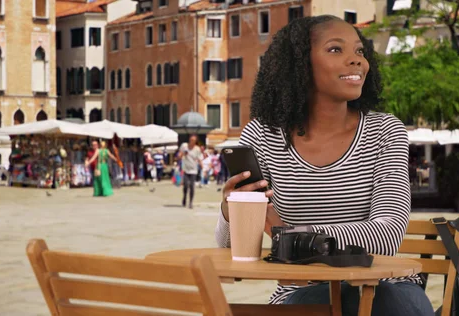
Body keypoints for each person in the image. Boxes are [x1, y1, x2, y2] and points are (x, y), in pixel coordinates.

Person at [214, 15, 433, 316]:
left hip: (381, 289)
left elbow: (388, 234)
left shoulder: (385, 132)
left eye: (359, 51)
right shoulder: (262, 135)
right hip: (302, 293)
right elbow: (231, 249)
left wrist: (290, 237)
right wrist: (231, 210)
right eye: (335, 50)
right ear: (300, 65)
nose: (357, 61)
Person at [178, 135, 203, 208]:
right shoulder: (184, 146)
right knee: (185, 185)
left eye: (193, 141)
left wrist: (202, 166)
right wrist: (182, 154)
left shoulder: (197, 149)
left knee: (192, 186)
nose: (192, 142)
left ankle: (191, 202)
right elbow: (179, 156)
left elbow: (199, 158)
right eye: (191, 140)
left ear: (195, 142)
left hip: (193, 170)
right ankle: (184, 197)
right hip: (185, 169)